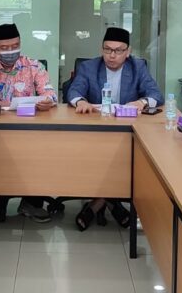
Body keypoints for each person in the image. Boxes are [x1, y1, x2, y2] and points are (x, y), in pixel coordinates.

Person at [66, 26, 163, 230]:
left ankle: (95, 205)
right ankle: (112, 203)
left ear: (128, 52)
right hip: (95, 134)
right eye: (107, 49)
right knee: (108, 160)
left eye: (118, 50)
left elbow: (156, 94)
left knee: (126, 160)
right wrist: (80, 101)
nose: (112, 55)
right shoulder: (90, 67)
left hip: (126, 134)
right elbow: (73, 90)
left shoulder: (138, 67)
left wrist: (142, 102)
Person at [0, 22, 57, 223]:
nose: (11, 51)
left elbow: (50, 94)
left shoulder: (34, 66)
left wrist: (46, 102)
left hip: (28, 131)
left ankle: (30, 202)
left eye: (15, 46)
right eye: (4, 48)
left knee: (35, 153)